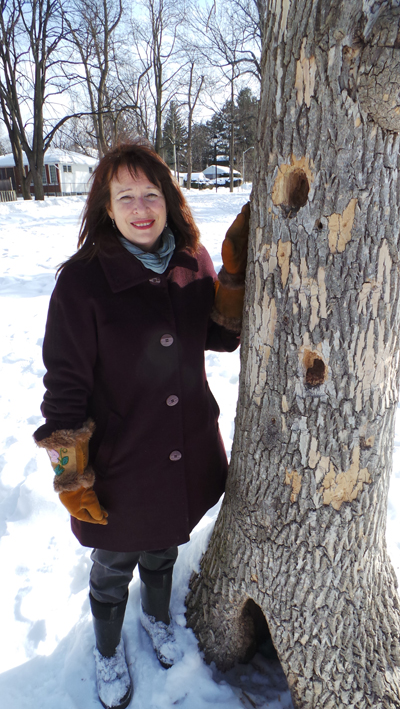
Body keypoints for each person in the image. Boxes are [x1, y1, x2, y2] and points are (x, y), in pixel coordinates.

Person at [33, 140, 249, 709]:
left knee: (163, 547)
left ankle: (156, 617)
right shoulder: (81, 283)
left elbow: (221, 337)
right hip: (120, 461)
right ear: (106, 206)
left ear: (168, 198)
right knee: (114, 562)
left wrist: (231, 275)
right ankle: (108, 649)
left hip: (186, 444)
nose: (140, 207)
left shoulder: (191, 259)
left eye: (150, 193)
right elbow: (65, 389)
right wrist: (71, 476)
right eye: (124, 195)